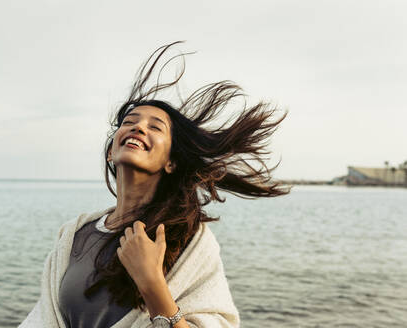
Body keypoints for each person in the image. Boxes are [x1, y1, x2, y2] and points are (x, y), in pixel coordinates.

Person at [18, 41, 289, 328]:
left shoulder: (190, 239)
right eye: (130, 122)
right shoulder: (74, 235)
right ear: (111, 151)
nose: (138, 127)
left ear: (171, 162)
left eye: (155, 127)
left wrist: (151, 283)